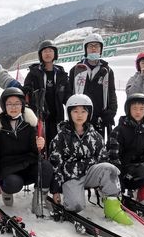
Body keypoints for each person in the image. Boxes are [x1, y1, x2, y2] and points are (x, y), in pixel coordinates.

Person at [48, 94, 132, 225]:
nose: (79, 115)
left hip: (89, 174)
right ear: (69, 113)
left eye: (83, 111)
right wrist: (56, 190)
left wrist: (104, 180)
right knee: (76, 206)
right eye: (75, 111)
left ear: (89, 113)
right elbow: (55, 164)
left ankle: (112, 207)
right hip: (71, 176)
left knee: (109, 168)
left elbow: (102, 159)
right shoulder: (60, 137)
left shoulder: (96, 136)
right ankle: (72, 197)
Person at [0, 87, 54, 215]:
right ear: (3, 105)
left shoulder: (29, 122)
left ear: (22, 104)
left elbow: (35, 152)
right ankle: (7, 190)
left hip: (27, 164)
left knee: (46, 167)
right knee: (13, 183)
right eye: (9, 104)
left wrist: (40, 144)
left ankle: (39, 199)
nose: (13, 107)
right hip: (9, 169)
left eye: (17, 103)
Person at [107, 94, 144, 208]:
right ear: (128, 110)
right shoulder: (119, 130)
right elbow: (113, 155)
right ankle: (117, 193)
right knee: (112, 168)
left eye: (141, 109)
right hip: (123, 171)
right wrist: (121, 171)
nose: (138, 112)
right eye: (134, 108)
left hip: (140, 170)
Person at [68, 33, 118, 139]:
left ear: (101, 49)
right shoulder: (76, 69)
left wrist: (112, 111)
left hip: (100, 115)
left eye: (97, 46)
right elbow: (69, 92)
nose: (94, 48)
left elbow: (111, 92)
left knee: (98, 146)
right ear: (86, 49)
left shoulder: (107, 70)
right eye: (91, 46)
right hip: (81, 115)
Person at [23, 40, 70, 147]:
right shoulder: (33, 73)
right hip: (39, 117)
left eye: (50, 51)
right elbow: (26, 93)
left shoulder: (61, 74)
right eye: (45, 51)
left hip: (57, 116)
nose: (48, 53)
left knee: (57, 145)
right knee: (41, 146)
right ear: (41, 54)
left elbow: (68, 95)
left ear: (55, 54)